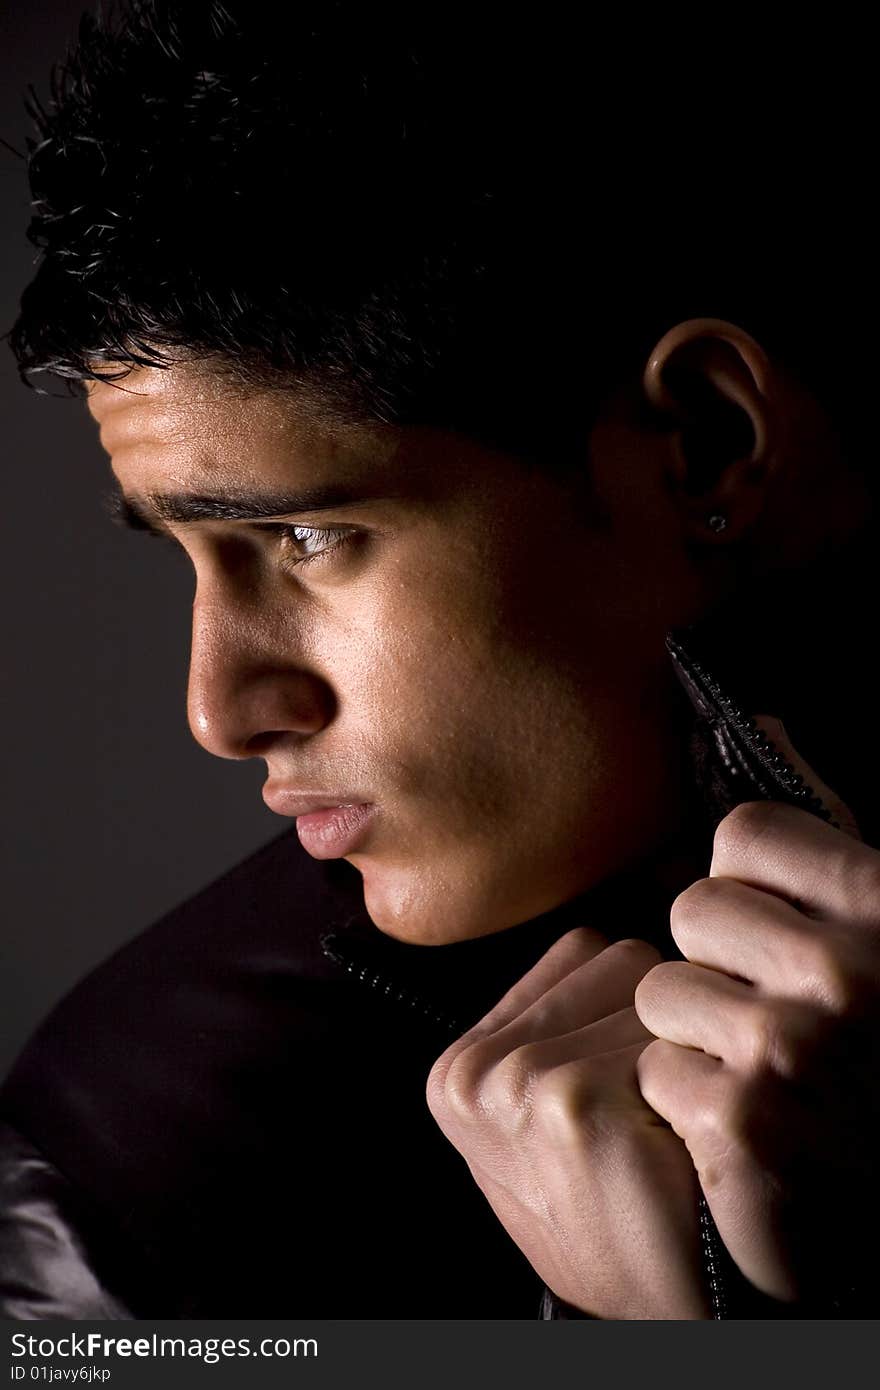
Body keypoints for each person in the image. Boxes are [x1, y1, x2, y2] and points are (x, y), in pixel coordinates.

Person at [1, 1, 878, 1319]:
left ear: (699, 443)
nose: (220, 709)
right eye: (183, 554)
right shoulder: (129, 1199)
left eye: (305, 533)